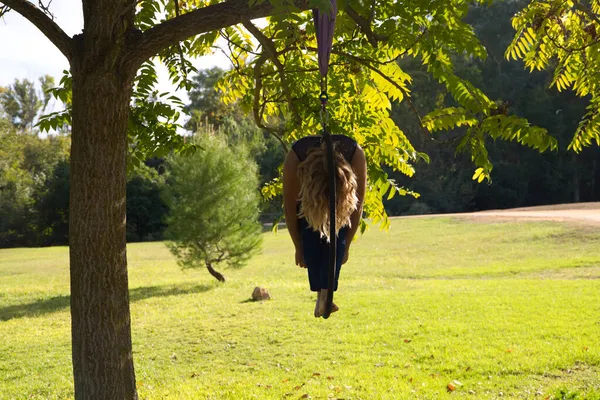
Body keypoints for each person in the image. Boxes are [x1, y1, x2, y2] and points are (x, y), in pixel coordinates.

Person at [283, 134, 367, 317]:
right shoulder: (296, 157)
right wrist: (298, 247)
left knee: (338, 237)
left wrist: (347, 246)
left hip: (341, 209)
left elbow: (357, 210)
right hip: (307, 208)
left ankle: (325, 295)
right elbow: (290, 209)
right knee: (310, 234)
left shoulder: (355, 154)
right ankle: (321, 296)